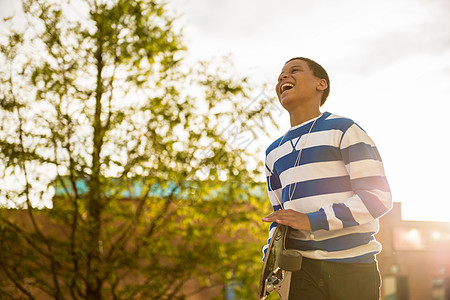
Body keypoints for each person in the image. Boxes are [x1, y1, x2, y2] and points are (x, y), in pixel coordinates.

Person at [261, 57, 392, 299]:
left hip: (353, 268)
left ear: (320, 84)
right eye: (280, 74)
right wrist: (270, 261)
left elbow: (378, 198)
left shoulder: (344, 129)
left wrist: (312, 220)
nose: (283, 77)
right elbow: (280, 218)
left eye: (294, 70)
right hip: (300, 272)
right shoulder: (272, 153)